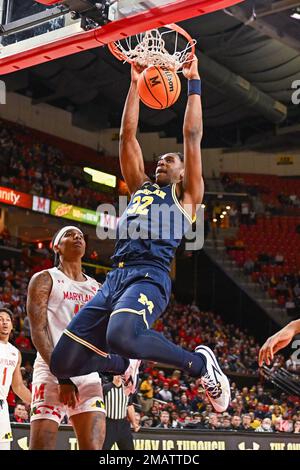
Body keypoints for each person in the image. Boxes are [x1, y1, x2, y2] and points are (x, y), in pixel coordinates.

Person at [51, 56, 230, 414]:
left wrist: (193, 81)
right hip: (116, 276)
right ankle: (123, 365)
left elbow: (191, 136)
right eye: (159, 160)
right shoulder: (139, 188)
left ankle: (200, 365)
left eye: (168, 160)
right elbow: (127, 136)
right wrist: (134, 85)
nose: (160, 162)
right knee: (62, 364)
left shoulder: (186, 195)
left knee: (121, 336)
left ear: (182, 172)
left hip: (150, 274)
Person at [27, 226, 108, 450]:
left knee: (93, 447)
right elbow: (38, 331)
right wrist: (62, 377)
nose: (77, 237)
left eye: (81, 236)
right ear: (56, 246)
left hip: (87, 372)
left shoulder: (97, 288)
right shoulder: (45, 279)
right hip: (51, 368)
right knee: (41, 447)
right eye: (70, 235)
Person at [0, 308, 31, 450]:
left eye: (7, 320)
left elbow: (18, 386)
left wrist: (36, 403)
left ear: (12, 326)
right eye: (0, 319)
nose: (4, 322)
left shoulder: (15, 352)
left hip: (2, 406)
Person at [102, 375, 139, 450]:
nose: (118, 376)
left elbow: (129, 406)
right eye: (116, 374)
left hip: (123, 424)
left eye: (120, 374)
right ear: (113, 375)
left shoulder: (127, 389)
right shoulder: (105, 388)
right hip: (109, 424)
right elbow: (100, 406)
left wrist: (134, 423)